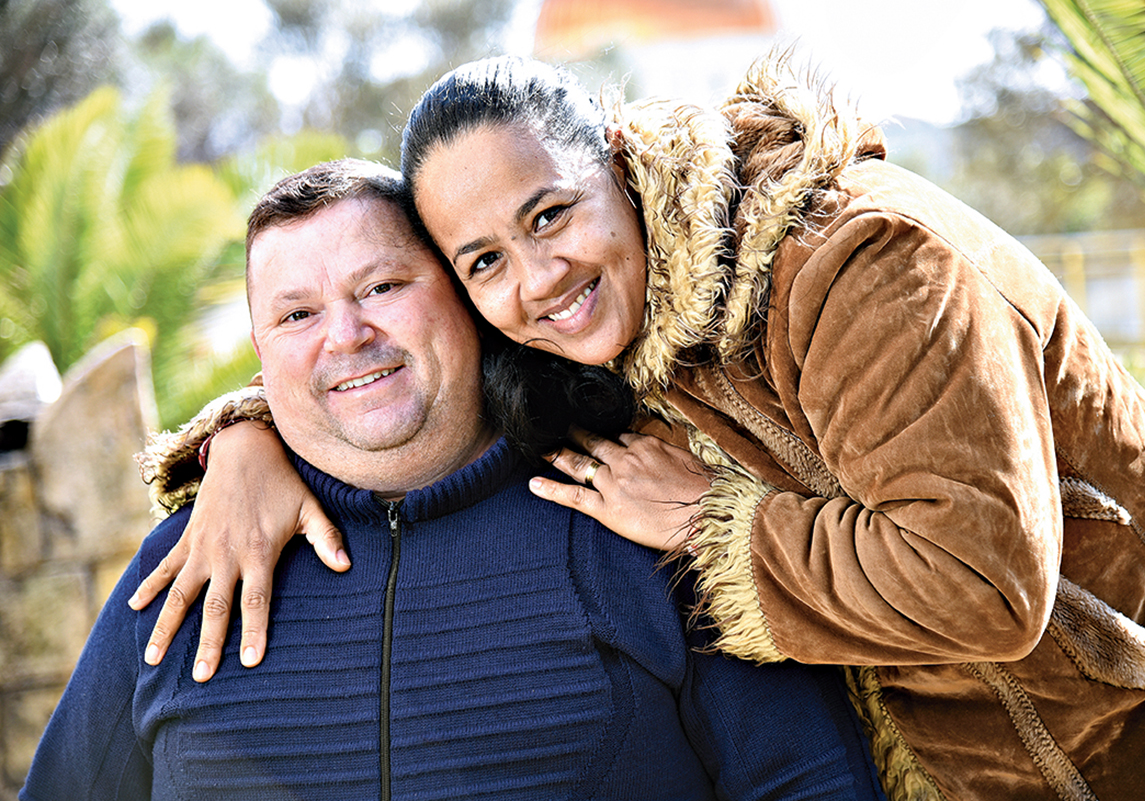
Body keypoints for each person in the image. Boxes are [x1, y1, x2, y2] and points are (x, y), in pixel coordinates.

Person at [132, 55, 1145, 800]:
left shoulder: (866, 264)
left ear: (617, 160)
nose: (536, 278)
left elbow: (982, 581)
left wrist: (714, 527)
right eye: (485, 261)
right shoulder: (598, 332)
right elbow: (388, 360)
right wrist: (246, 444)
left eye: (550, 214)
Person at [20, 159, 887, 801]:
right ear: (260, 356)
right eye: (296, 314)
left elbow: (815, 786)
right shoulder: (188, 565)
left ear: (467, 298)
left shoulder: (640, 518)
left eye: (383, 285)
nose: (346, 335)